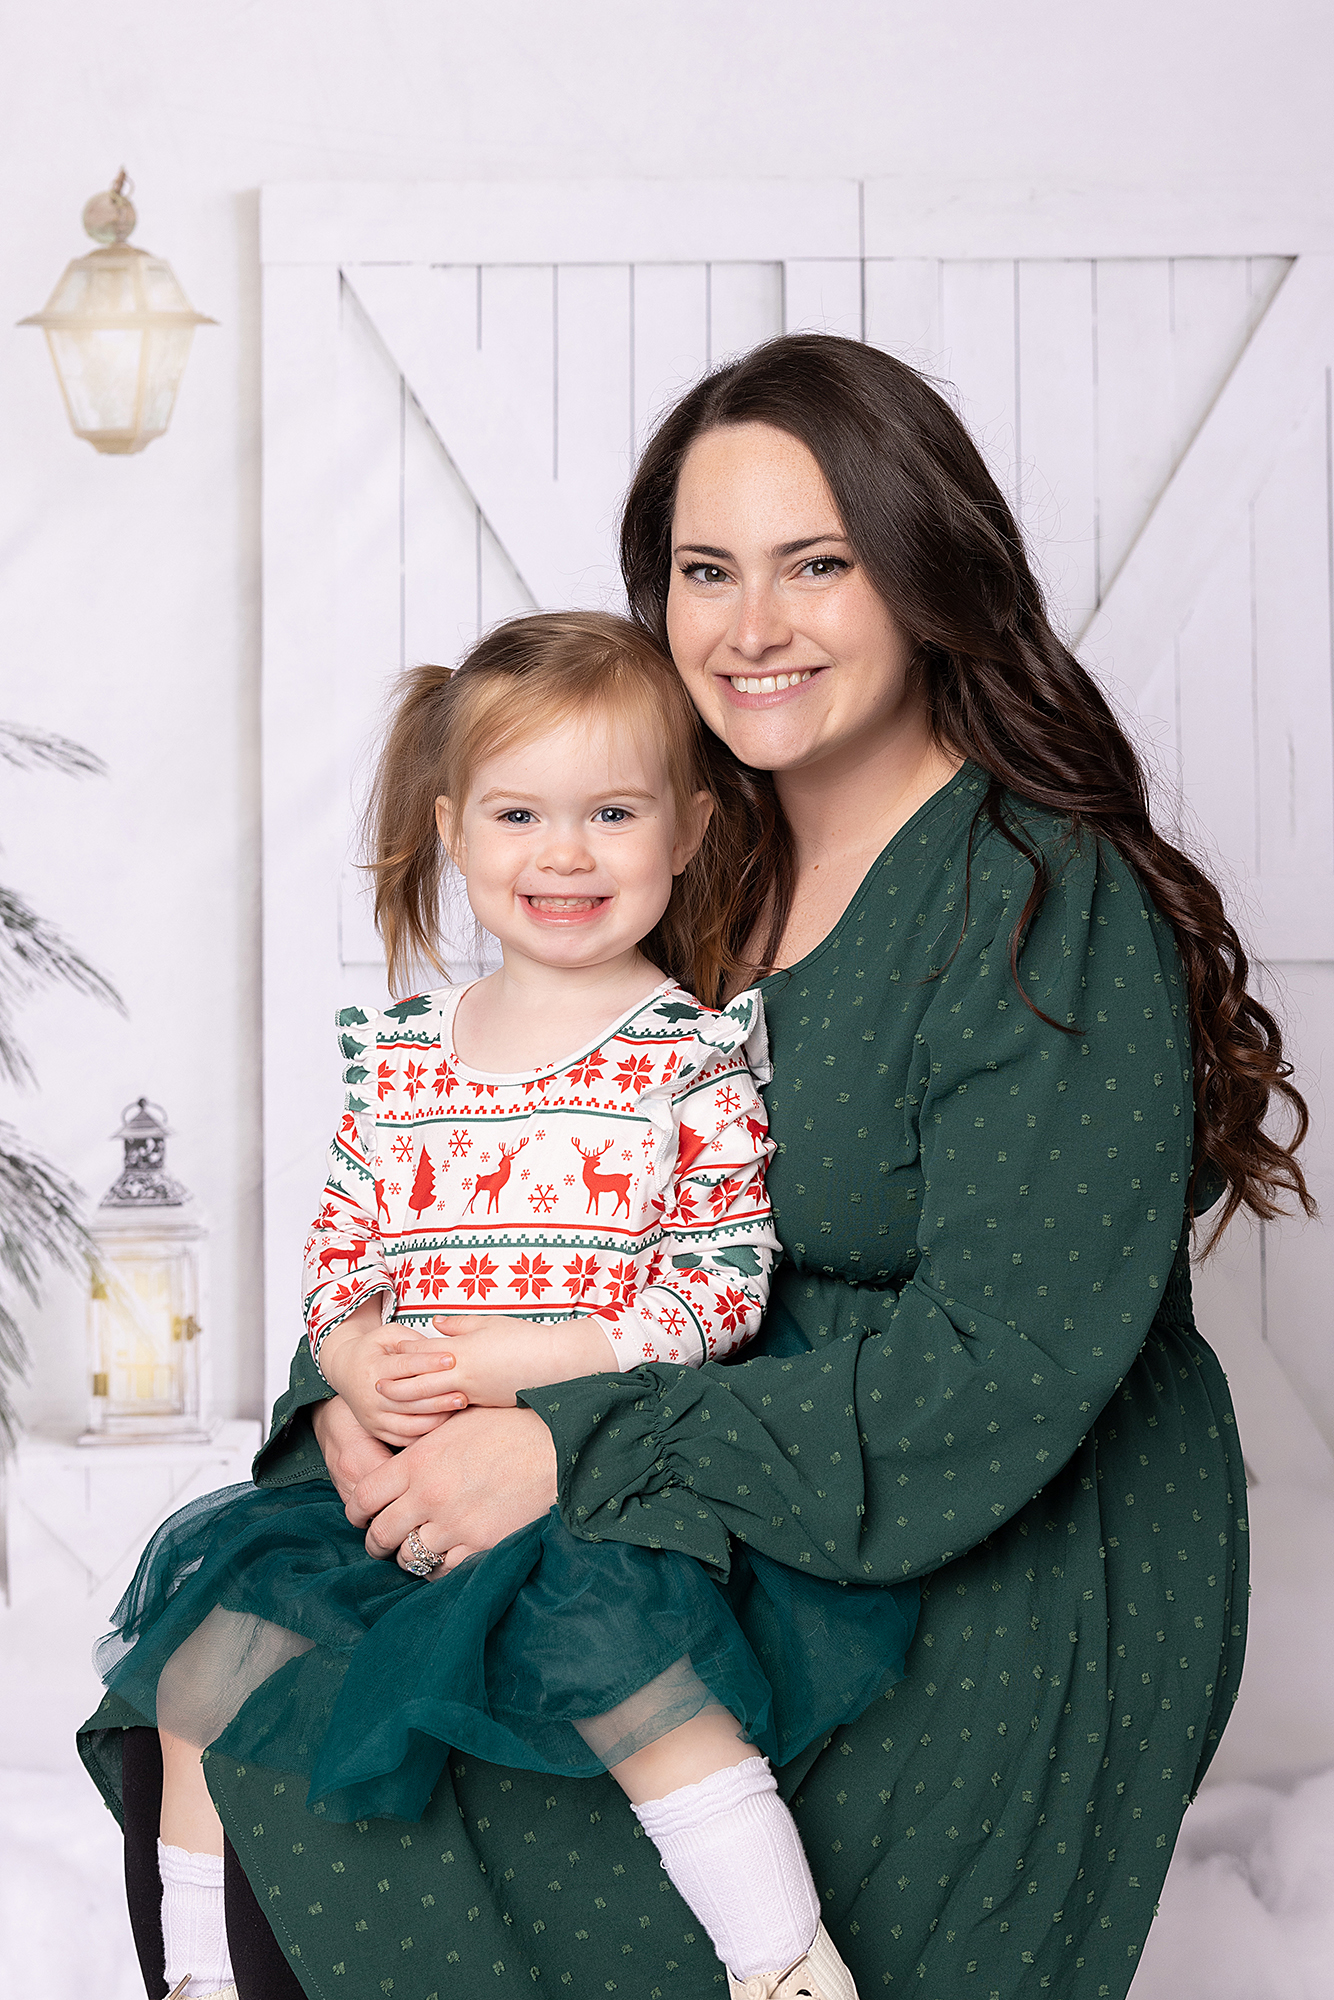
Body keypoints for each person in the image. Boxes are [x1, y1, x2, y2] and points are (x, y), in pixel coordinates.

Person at [81, 334, 1313, 2000]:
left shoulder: (1037, 898)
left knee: (422, 1810)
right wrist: (361, 1402)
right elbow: (485, 1182)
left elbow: (1004, 1367)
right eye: (704, 570)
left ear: (927, 573)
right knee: (233, 1697)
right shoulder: (677, 852)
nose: (749, 626)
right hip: (676, 1472)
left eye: (818, 564)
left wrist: (565, 1448)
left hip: (973, 1533)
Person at [86, 609, 916, 2000]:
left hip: (584, 1477)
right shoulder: (405, 1056)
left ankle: (782, 1964)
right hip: (399, 1473)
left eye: (612, 813)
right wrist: (354, 1351)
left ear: (691, 828)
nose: (564, 855)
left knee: (653, 1696)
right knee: (198, 1682)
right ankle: (196, 1979)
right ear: (454, 831)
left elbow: (717, 1291)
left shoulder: (689, 1057)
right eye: (519, 815)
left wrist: (534, 1361)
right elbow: (344, 1252)